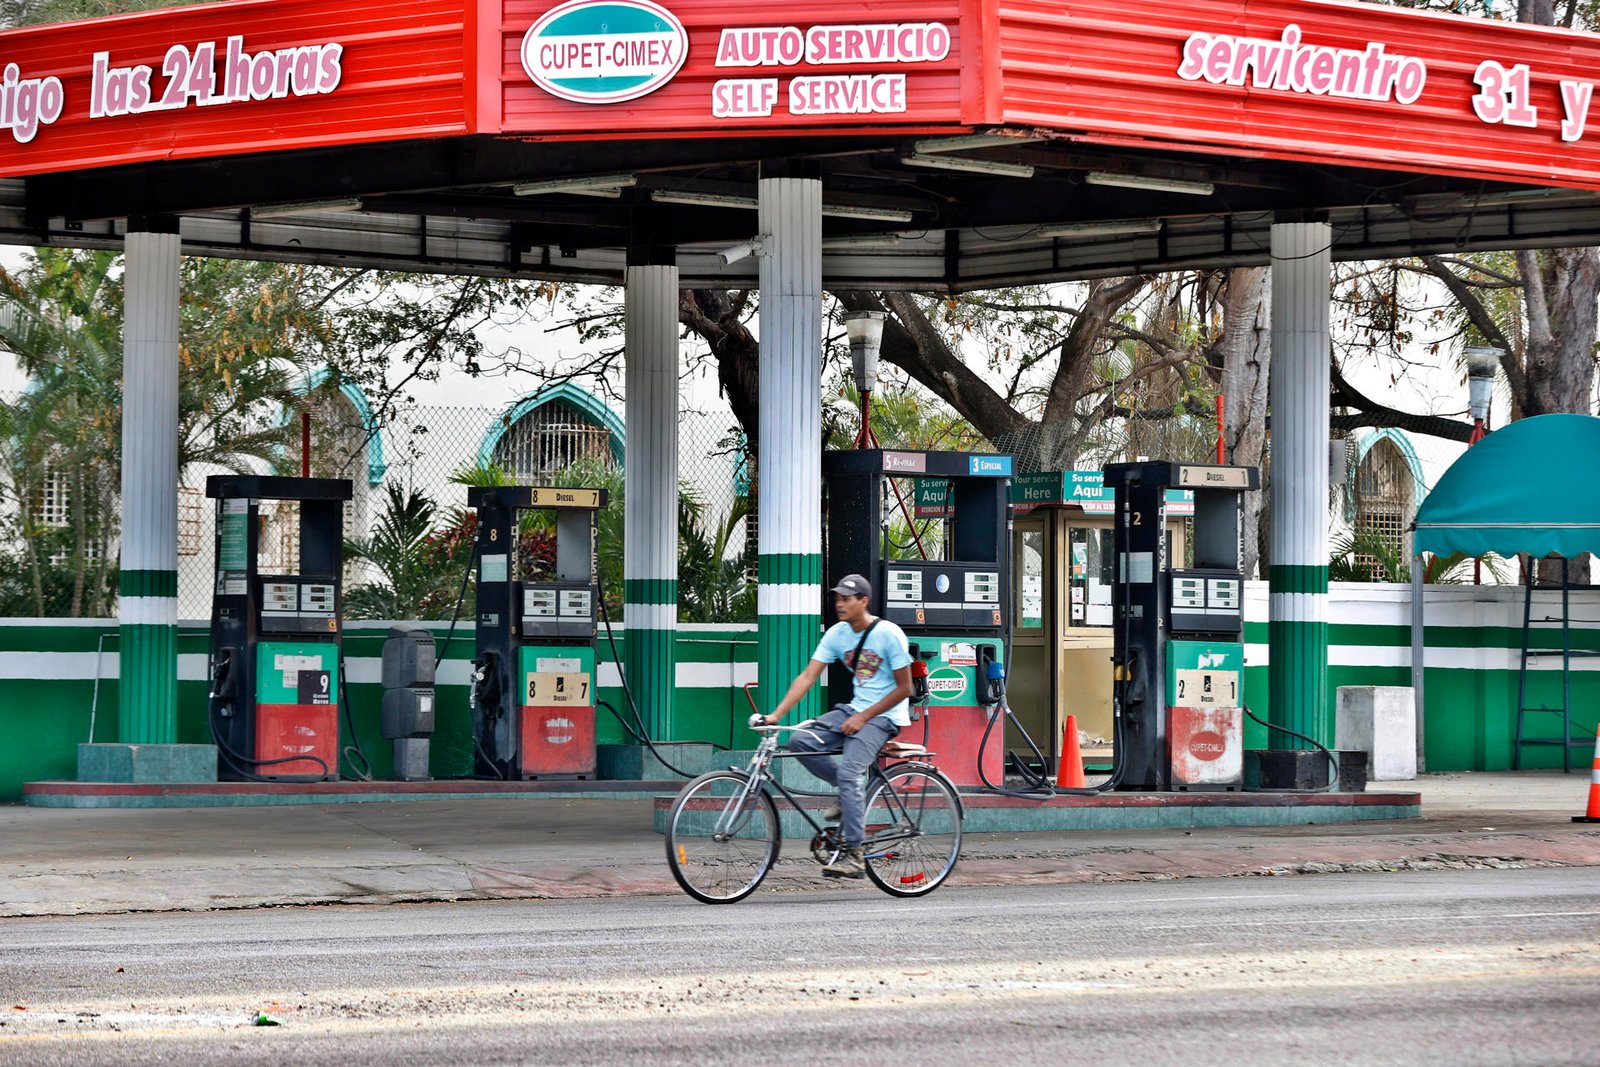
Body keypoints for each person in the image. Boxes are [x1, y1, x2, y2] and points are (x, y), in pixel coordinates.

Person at [762, 573, 913, 878]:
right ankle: (846, 794)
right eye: (837, 599)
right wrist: (776, 715)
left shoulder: (889, 634)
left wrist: (864, 717)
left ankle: (855, 856)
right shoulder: (837, 634)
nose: (839, 604)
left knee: (849, 773)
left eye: (846, 599)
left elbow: (905, 688)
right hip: (853, 709)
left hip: (884, 716)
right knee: (800, 741)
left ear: (864, 601)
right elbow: (808, 677)